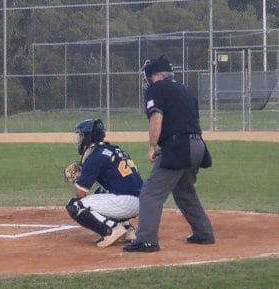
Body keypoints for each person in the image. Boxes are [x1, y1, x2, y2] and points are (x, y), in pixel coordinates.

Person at [124, 56, 214, 253]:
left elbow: (156, 118)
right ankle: (204, 233)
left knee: (149, 194)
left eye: (149, 78)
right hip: (198, 145)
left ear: (157, 76)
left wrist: (152, 146)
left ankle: (147, 240)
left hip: (178, 146)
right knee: (184, 192)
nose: (148, 81)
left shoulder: (156, 89)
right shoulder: (185, 90)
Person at [64, 119, 142, 248]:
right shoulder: (114, 149)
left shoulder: (95, 155)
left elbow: (80, 193)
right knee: (100, 191)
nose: (79, 139)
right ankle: (126, 229)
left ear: (89, 137)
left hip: (127, 202)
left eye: (81, 135)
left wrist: (78, 180)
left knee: (75, 205)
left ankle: (111, 229)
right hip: (141, 201)